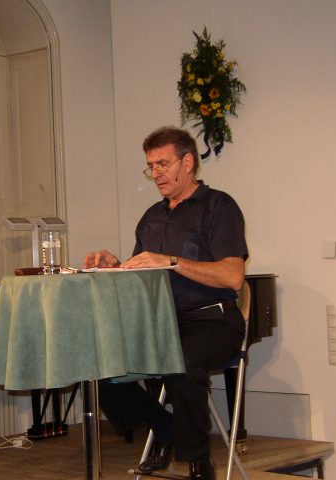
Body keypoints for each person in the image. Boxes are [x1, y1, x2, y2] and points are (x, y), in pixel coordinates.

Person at [83, 126, 248, 480]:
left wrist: (171, 261)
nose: (155, 173)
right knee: (99, 365)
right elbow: (140, 279)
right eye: (151, 166)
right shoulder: (151, 217)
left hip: (213, 320)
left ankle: (198, 461)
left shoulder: (219, 207)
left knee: (182, 362)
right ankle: (164, 426)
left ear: (187, 163)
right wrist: (115, 265)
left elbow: (233, 276)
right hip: (162, 323)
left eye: (163, 164)